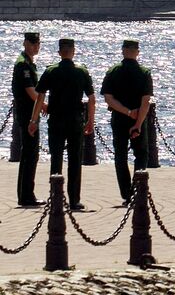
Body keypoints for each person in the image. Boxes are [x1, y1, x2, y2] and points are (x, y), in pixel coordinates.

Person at [29, 38, 95, 210]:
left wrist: (33, 120)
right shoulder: (82, 72)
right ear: (73, 51)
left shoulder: (51, 71)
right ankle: (74, 200)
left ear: (59, 53)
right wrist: (90, 121)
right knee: (74, 160)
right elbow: (92, 99)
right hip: (75, 121)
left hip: (56, 121)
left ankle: (55, 197)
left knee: (56, 158)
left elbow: (40, 97)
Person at [100, 39, 153, 206]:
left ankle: (126, 193)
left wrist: (126, 112)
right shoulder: (145, 73)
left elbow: (108, 99)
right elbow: (146, 102)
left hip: (119, 119)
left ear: (123, 51)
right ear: (137, 51)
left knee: (120, 156)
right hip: (139, 119)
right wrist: (137, 122)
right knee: (141, 154)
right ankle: (138, 190)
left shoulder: (113, 71)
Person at [11, 31, 42, 207]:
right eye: (32, 43)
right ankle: (26, 196)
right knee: (30, 155)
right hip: (27, 114)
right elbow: (32, 93)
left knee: (29, 154)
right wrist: (44, 106)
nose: (35, 47)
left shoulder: (28, 63)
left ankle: (26, 194)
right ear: (25, 43)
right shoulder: (23, 65)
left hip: (29, 113)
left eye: (37, 44)